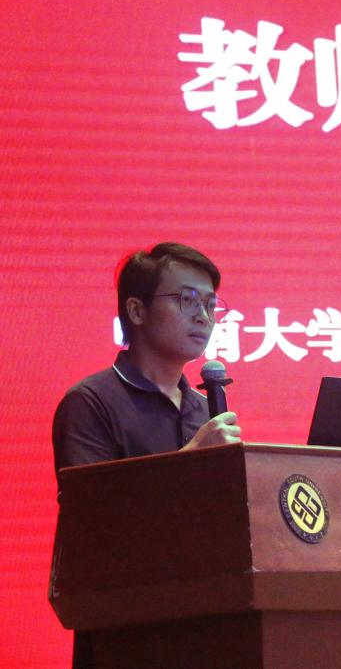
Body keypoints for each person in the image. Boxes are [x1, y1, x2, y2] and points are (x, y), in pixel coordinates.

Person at [51, 241, 241, 667]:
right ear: (136, 311)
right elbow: (91, 521)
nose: (203, 316)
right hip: (127, 632)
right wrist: (189, 461)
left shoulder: (204, 408)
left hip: (208, 623)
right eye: (187, 300)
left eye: (211, 304)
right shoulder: (90, 402)